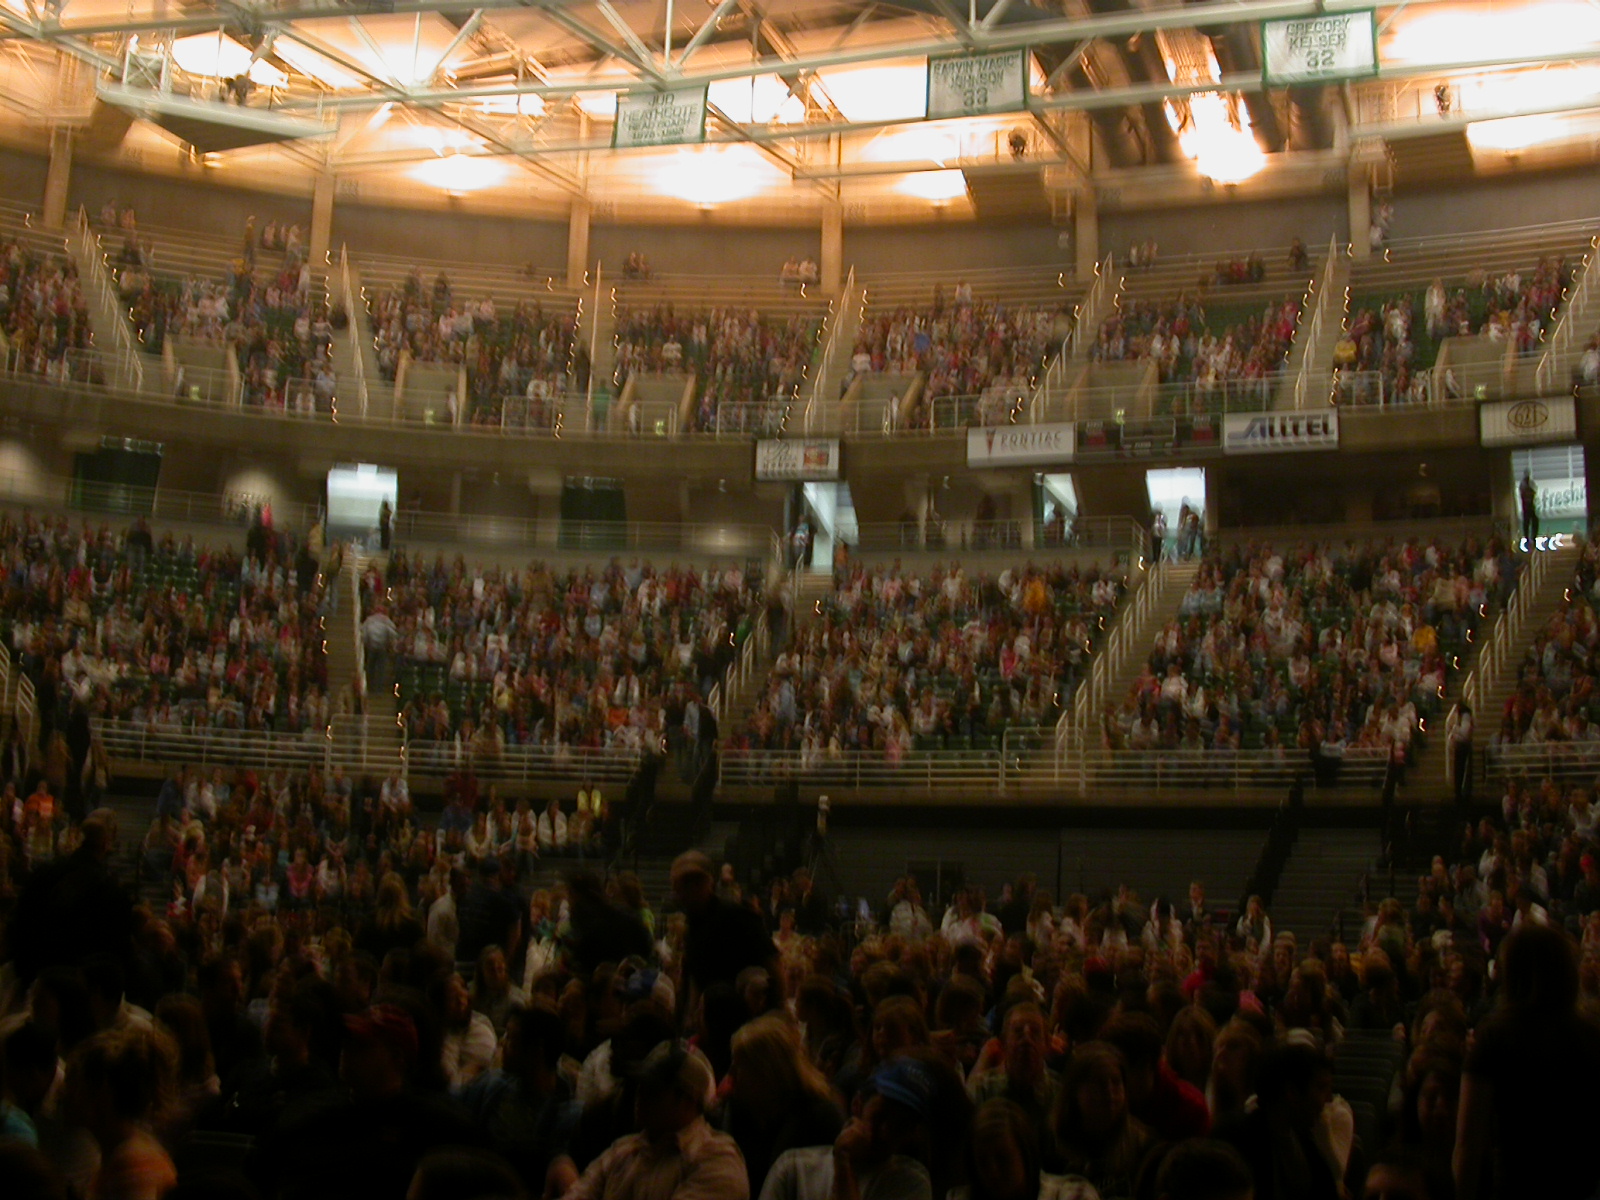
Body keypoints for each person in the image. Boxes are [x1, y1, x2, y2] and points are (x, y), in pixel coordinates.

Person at [1454, 924, 1600, 1200]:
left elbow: (1468, 1143)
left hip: (1515, 1183)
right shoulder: (1591, 1035)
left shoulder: (1494, 1036)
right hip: (1579, 1185)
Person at [562, 1040, 748, 1200]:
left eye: (654, 1090)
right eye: (641, 1086)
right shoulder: (623, 1151)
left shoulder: (716, 1159)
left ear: (688, 1101)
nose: (640, 1096)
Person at [759, 1056, 935, 1200]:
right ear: (857, 1106)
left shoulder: (911, 1182)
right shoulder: (794, 1168)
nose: (886, 1132)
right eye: (879, 1117)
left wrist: (843, 1164)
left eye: (901, 1125)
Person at [723, 1012, 843, 1196]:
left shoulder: (817, 1121)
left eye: (739, 1066)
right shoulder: (744, 1112)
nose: (731, 1074)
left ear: (766, 1072)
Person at [1519, 471, 1537, 546]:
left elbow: (1534, 491)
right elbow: (1521, 493)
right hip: (1526, 507)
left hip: (1531, 506)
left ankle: (1533, 536)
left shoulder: (1531, 483)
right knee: (1526, 523)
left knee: (1534, 521)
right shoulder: (1522, 484)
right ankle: (1526, 537)